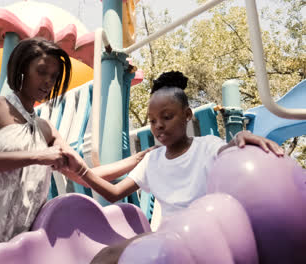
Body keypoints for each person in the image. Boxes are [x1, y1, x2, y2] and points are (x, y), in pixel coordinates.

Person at [0, 37, 150, 263]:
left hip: (14, 244)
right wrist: (39, 156)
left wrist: (139, 160)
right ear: (22, 69)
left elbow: (84, 175)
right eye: (42, 72)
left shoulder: (46, 130)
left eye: (54, 76)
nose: (48, 82)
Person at [60, 71, 284, 263]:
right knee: (104, 257)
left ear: (187, 115)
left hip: (204, 234)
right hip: (167, 236)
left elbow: (229, 151)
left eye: (166, 117)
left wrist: (242, 136)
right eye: (152, 120)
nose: (158, 126)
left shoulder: (206, 146)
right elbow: (114, 193)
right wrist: (82, 171)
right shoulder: (152, 160)